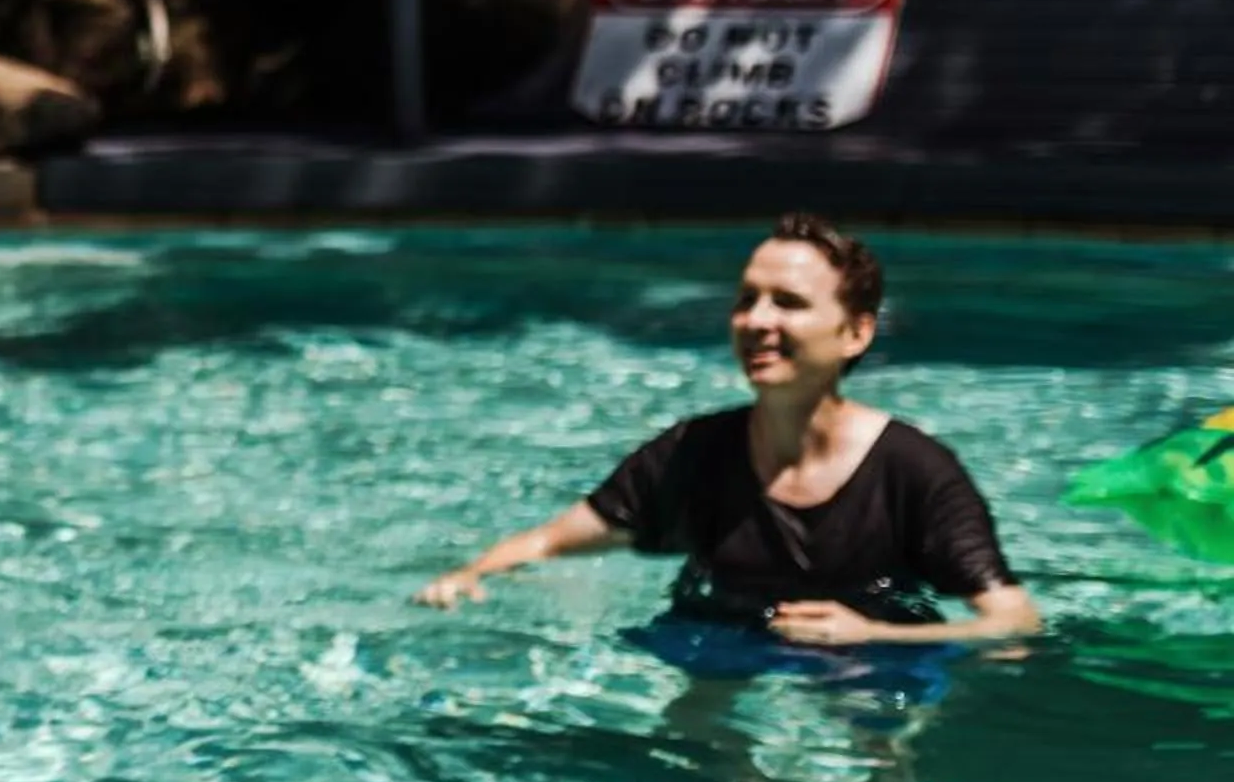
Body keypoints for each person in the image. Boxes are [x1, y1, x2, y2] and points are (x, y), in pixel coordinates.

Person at [414, 213, 1040, 657]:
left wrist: (874, 636)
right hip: (723, 634)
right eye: (747, 299)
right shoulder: (696, 451)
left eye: (787, 303)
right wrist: (472, 573)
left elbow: (1014, 623)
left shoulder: (913, 470)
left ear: (856, 333)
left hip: (874, 653)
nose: (756, 321)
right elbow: (555, 538)